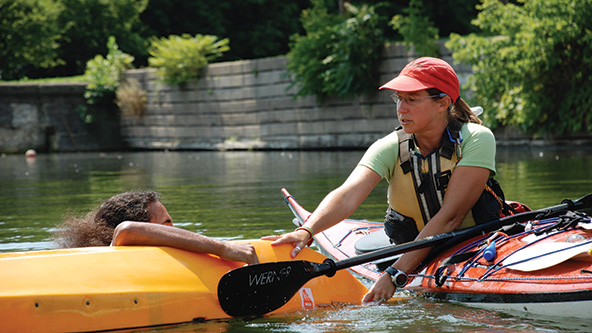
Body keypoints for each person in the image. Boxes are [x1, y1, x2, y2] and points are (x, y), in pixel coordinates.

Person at [263, 57, 506, 302]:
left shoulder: (477, 139)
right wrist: (307, 231)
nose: (401, 109)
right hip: (408, 245)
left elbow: (451, 217)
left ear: (442, 103)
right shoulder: (389, 146)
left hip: (471, 243)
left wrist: (394, 274)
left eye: (411, 99)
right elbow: (348, 194)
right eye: (399, 98)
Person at [54, 190, 259, 264]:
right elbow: (127, 230)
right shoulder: (118, 246)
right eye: (166, 224)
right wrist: (223, 248)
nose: (175, 230)